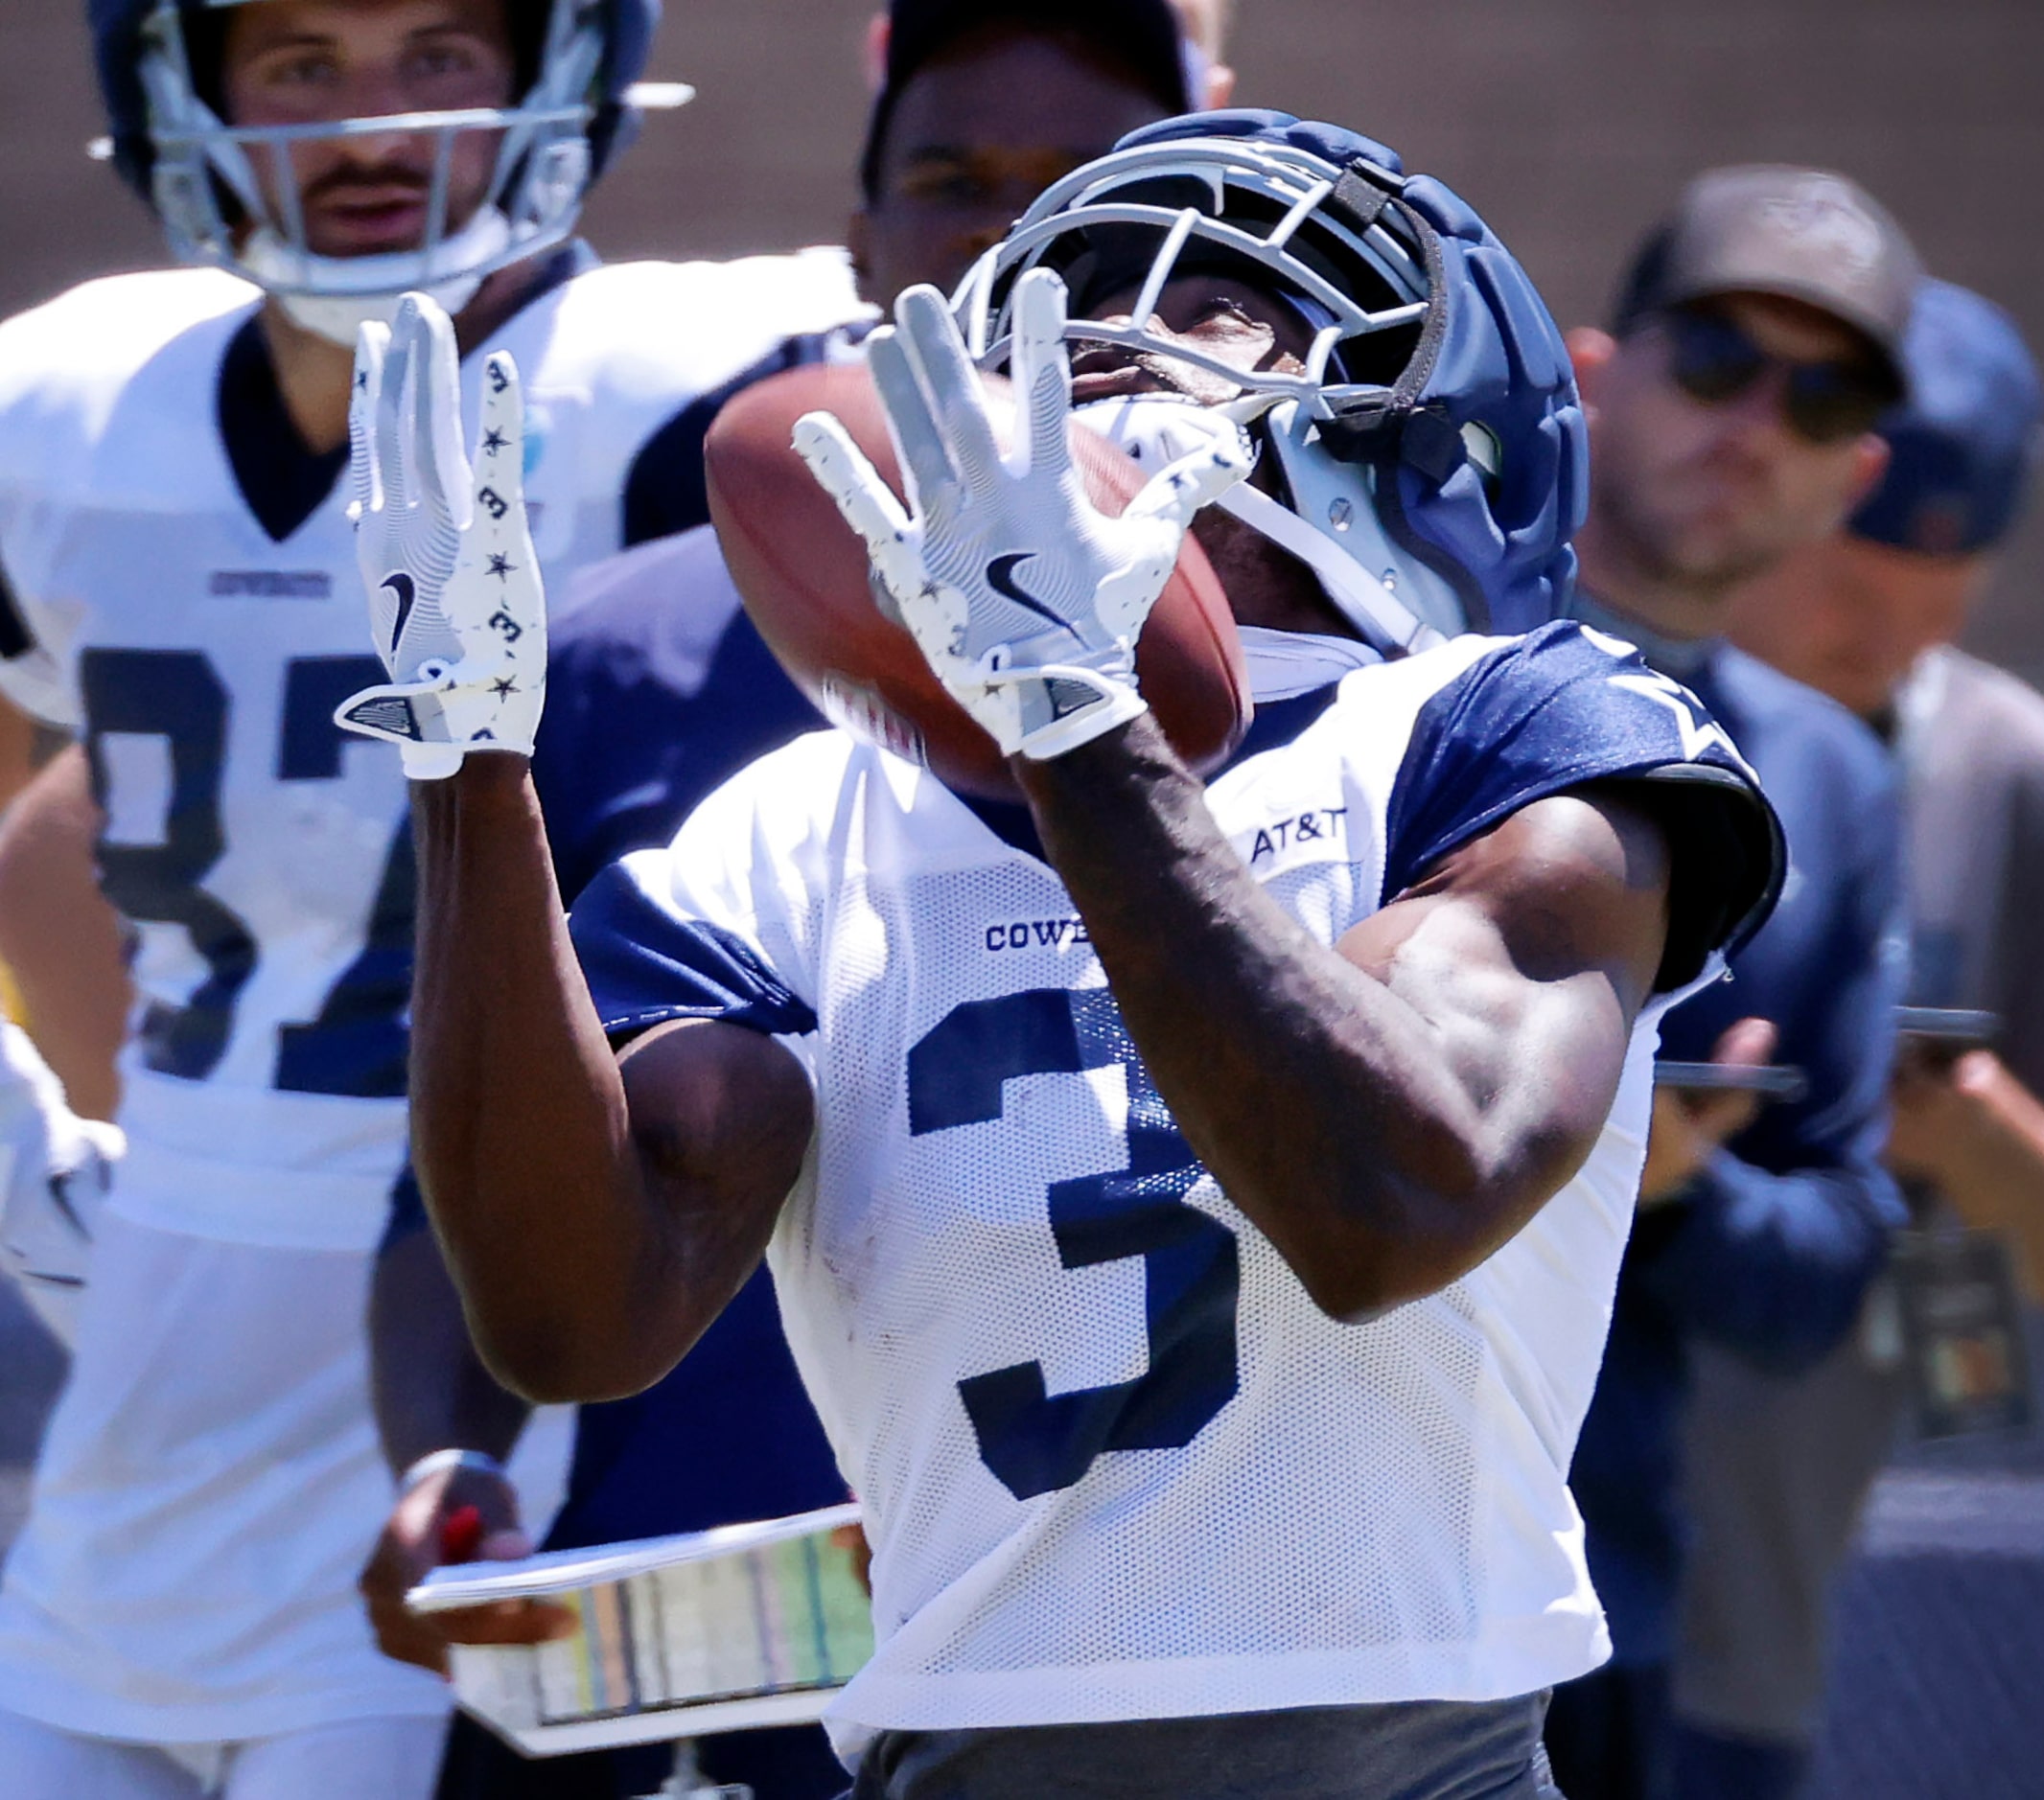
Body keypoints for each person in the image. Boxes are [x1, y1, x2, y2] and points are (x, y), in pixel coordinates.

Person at [349, 110, 1785, 1799]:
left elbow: (1396, 1194)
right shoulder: (800, 824)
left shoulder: (1504, 733)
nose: (1113, 339)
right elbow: (573, 1316)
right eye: (1075, 292)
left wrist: (1075, 716)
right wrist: (468, 767)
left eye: (1220, 301)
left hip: (1408, 1761)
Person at [0, 0, 863, 1791]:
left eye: (438, 53)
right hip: (141, 1432)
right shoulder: (71, 406)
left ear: (562, 68)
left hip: (488, 1418)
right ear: (182, 89)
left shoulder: (707, 385)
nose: (372, 130)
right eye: (299, 63)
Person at [363, 7, 1219, 1794]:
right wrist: (450, 1464)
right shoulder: (611, 645)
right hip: (706, 1626)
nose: (1005, 232)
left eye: (1072, 189)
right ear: (855, 239)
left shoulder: (1299, 636)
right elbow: (443, 1172)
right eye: (951, 182)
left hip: (1141, 1651)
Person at [1679, 277, 2044, 1799]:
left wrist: (1972, 1134)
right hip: (1501, 1556)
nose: (1870, 621)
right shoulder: (1604, 705)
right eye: (1854, 563)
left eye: (1933, 587)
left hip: (1761, 1610)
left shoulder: (2012, 768)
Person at [1536, 166, 1921, 1800]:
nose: (1756, 420)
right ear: (1597, 373)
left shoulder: (1832, 781)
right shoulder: (1415, 666)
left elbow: (1831, 1267)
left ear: (1857, 474)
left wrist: (1674, 1187)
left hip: (1597, 1610)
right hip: (1292, 1570)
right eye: (1716, 360)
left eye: (1819, 395)